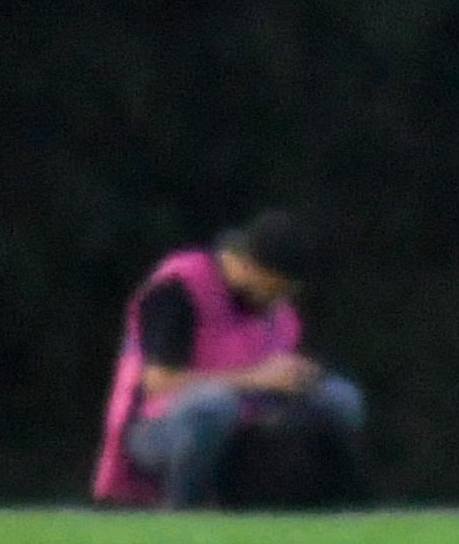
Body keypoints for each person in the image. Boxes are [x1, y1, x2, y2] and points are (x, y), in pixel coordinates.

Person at [89, 211, 369, 510]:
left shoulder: (279, 310)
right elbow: (159, 382)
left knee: (340, 399)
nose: (278, 302)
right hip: (158, 427)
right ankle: (184, 514)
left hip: (249, 419)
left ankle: (340, 510)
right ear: (249, 265)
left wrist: (297, 377)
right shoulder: (180, 286)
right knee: (213, 405)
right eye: (273, 289)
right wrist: (256, 378)